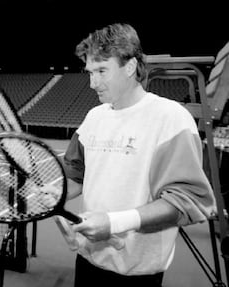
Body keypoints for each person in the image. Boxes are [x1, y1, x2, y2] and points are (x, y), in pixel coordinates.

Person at [61, 23, 216, 286]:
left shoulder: (171, 118)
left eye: (101, 71)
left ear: (130, 67)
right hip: (88, 260)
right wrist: (54, 198)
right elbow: (75, 173)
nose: (92, 83)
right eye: (89, 72)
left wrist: (114, 223)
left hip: (139, 272)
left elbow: (187, 199)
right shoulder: (93, 117)